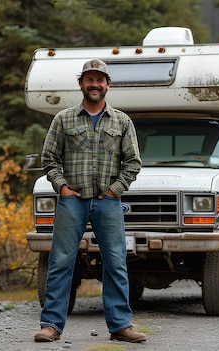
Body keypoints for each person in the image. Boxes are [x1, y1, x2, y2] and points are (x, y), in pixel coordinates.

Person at [34, 58, 146, 343]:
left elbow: (133, 162)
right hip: (73, 200)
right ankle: (51, 326)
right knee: (60, 262)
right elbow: (49, 158)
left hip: (108, 202)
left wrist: (114, 190)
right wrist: (61, 187)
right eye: (89, 79)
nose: (94, 84)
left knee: (116, 262)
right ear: (81, 83)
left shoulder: (122, 121)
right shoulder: (63, 119)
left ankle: (121, 326)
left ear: (108, 85)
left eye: (100, 79)